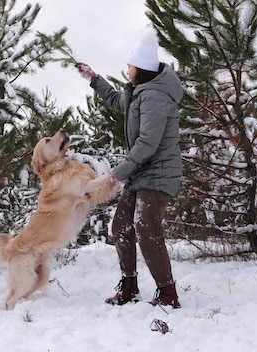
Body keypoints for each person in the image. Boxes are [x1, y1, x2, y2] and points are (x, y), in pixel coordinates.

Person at [74, 26, 183, 309]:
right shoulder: (139, 91)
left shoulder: (156, 96)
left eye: (130, 65)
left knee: (145, 226)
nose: (127, 69)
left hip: (159, 171)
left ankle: (168, 293)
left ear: (142, 68)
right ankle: (130, 284)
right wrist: (94, 79)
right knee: (121, 225)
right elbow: (116, 101)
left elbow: (148, 143)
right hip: (141, 172)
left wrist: (115, 173)